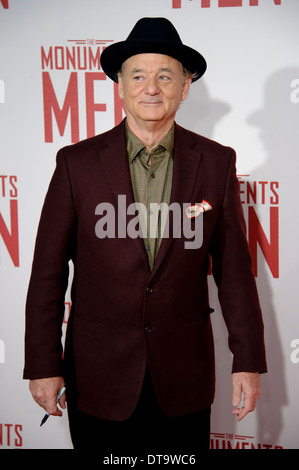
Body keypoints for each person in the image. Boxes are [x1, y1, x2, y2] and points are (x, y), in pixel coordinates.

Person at [23, 17, 267, 453]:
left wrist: (248, 361)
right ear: (120, 85)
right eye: (138, 75)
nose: (150, 87)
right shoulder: (75, 164)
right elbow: (47, 273)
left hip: (184, 379)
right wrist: (43, 365)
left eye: (164, 75)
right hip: (98, 377)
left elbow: (234, 273)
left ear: (185, 86)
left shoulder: (216, 163)